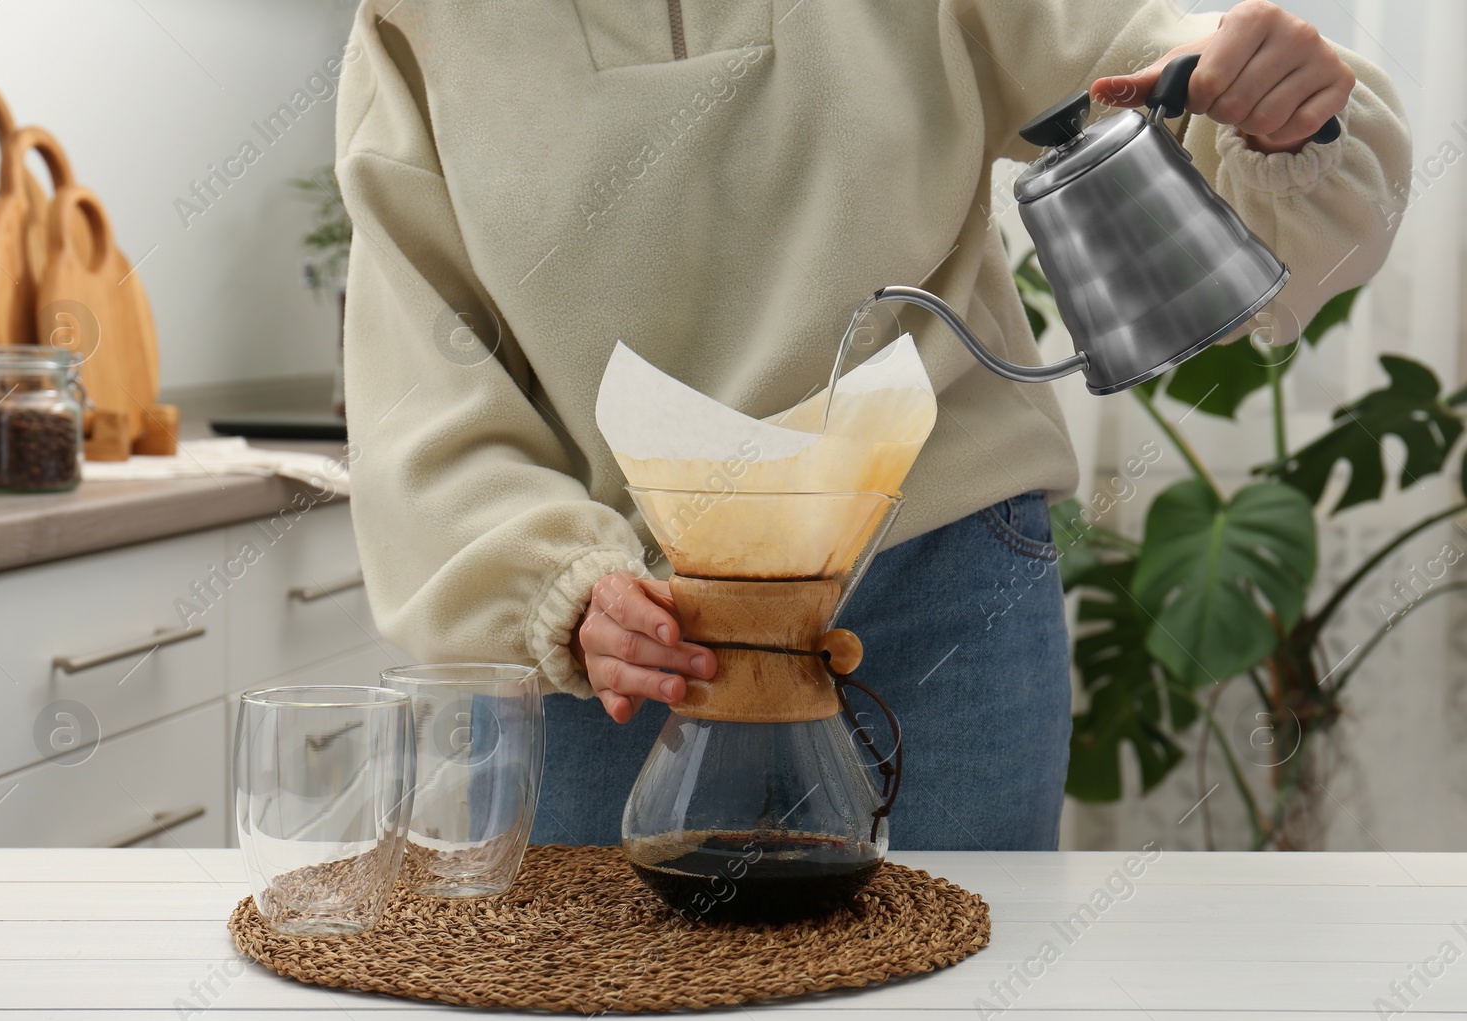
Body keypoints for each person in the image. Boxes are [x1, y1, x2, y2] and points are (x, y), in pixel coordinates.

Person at [334, 0, 1410, 849]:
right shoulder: (416, 20)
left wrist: (1276, 102)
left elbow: (1157, 63)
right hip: (618, 645)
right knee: (587, 1019)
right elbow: (420, 379)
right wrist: (554, 589)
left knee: (952, 1013)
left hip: (933, 577)